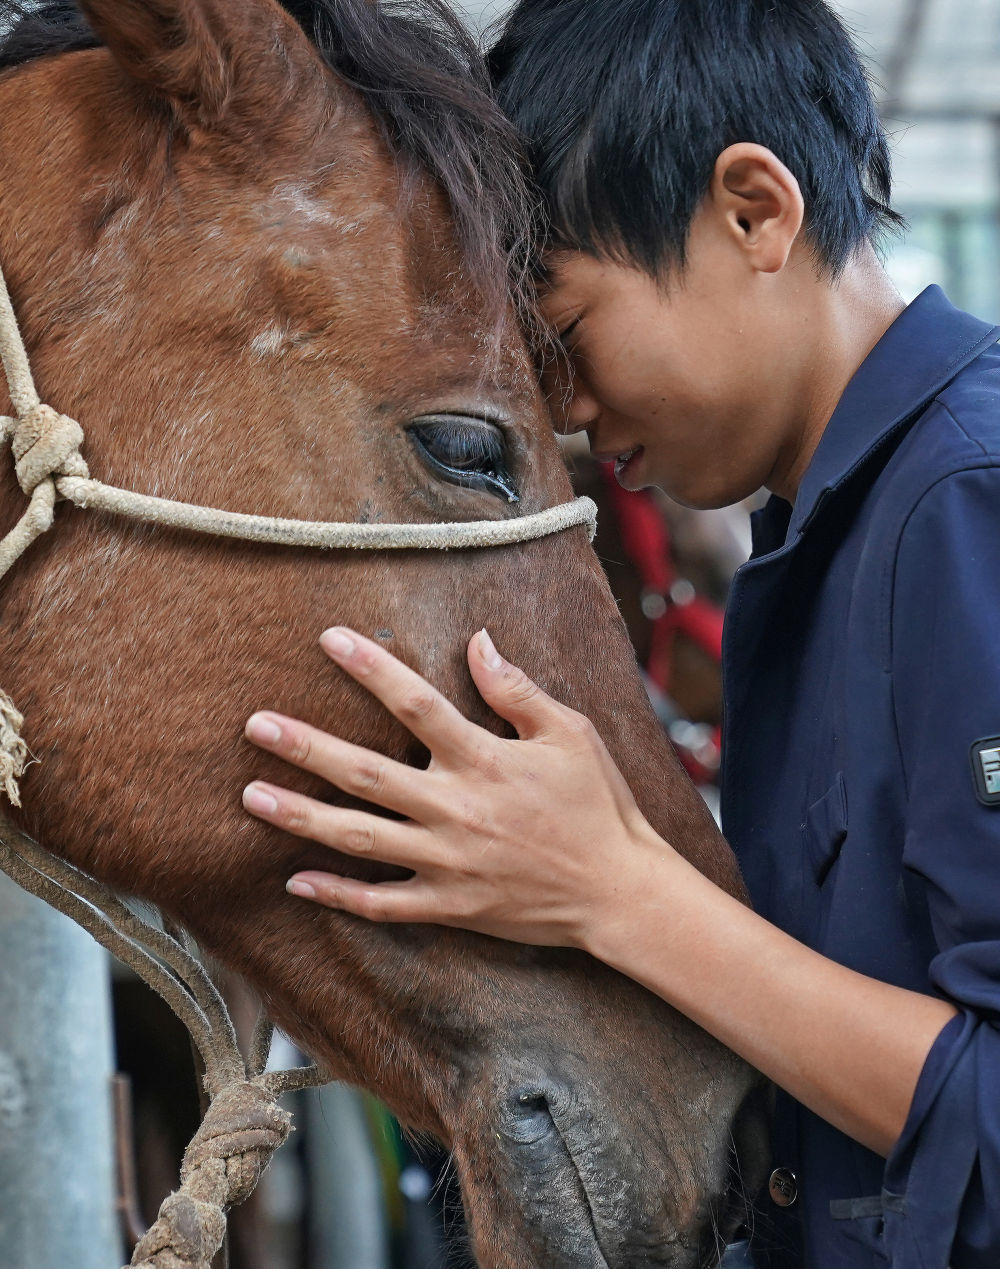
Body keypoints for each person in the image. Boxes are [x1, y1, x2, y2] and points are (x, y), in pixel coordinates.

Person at [239, 2, 1000, 1265]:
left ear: (753, 211)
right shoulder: (819, 531)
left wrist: (617, 890)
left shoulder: (964, 506)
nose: (574, 416)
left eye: (570, 335)